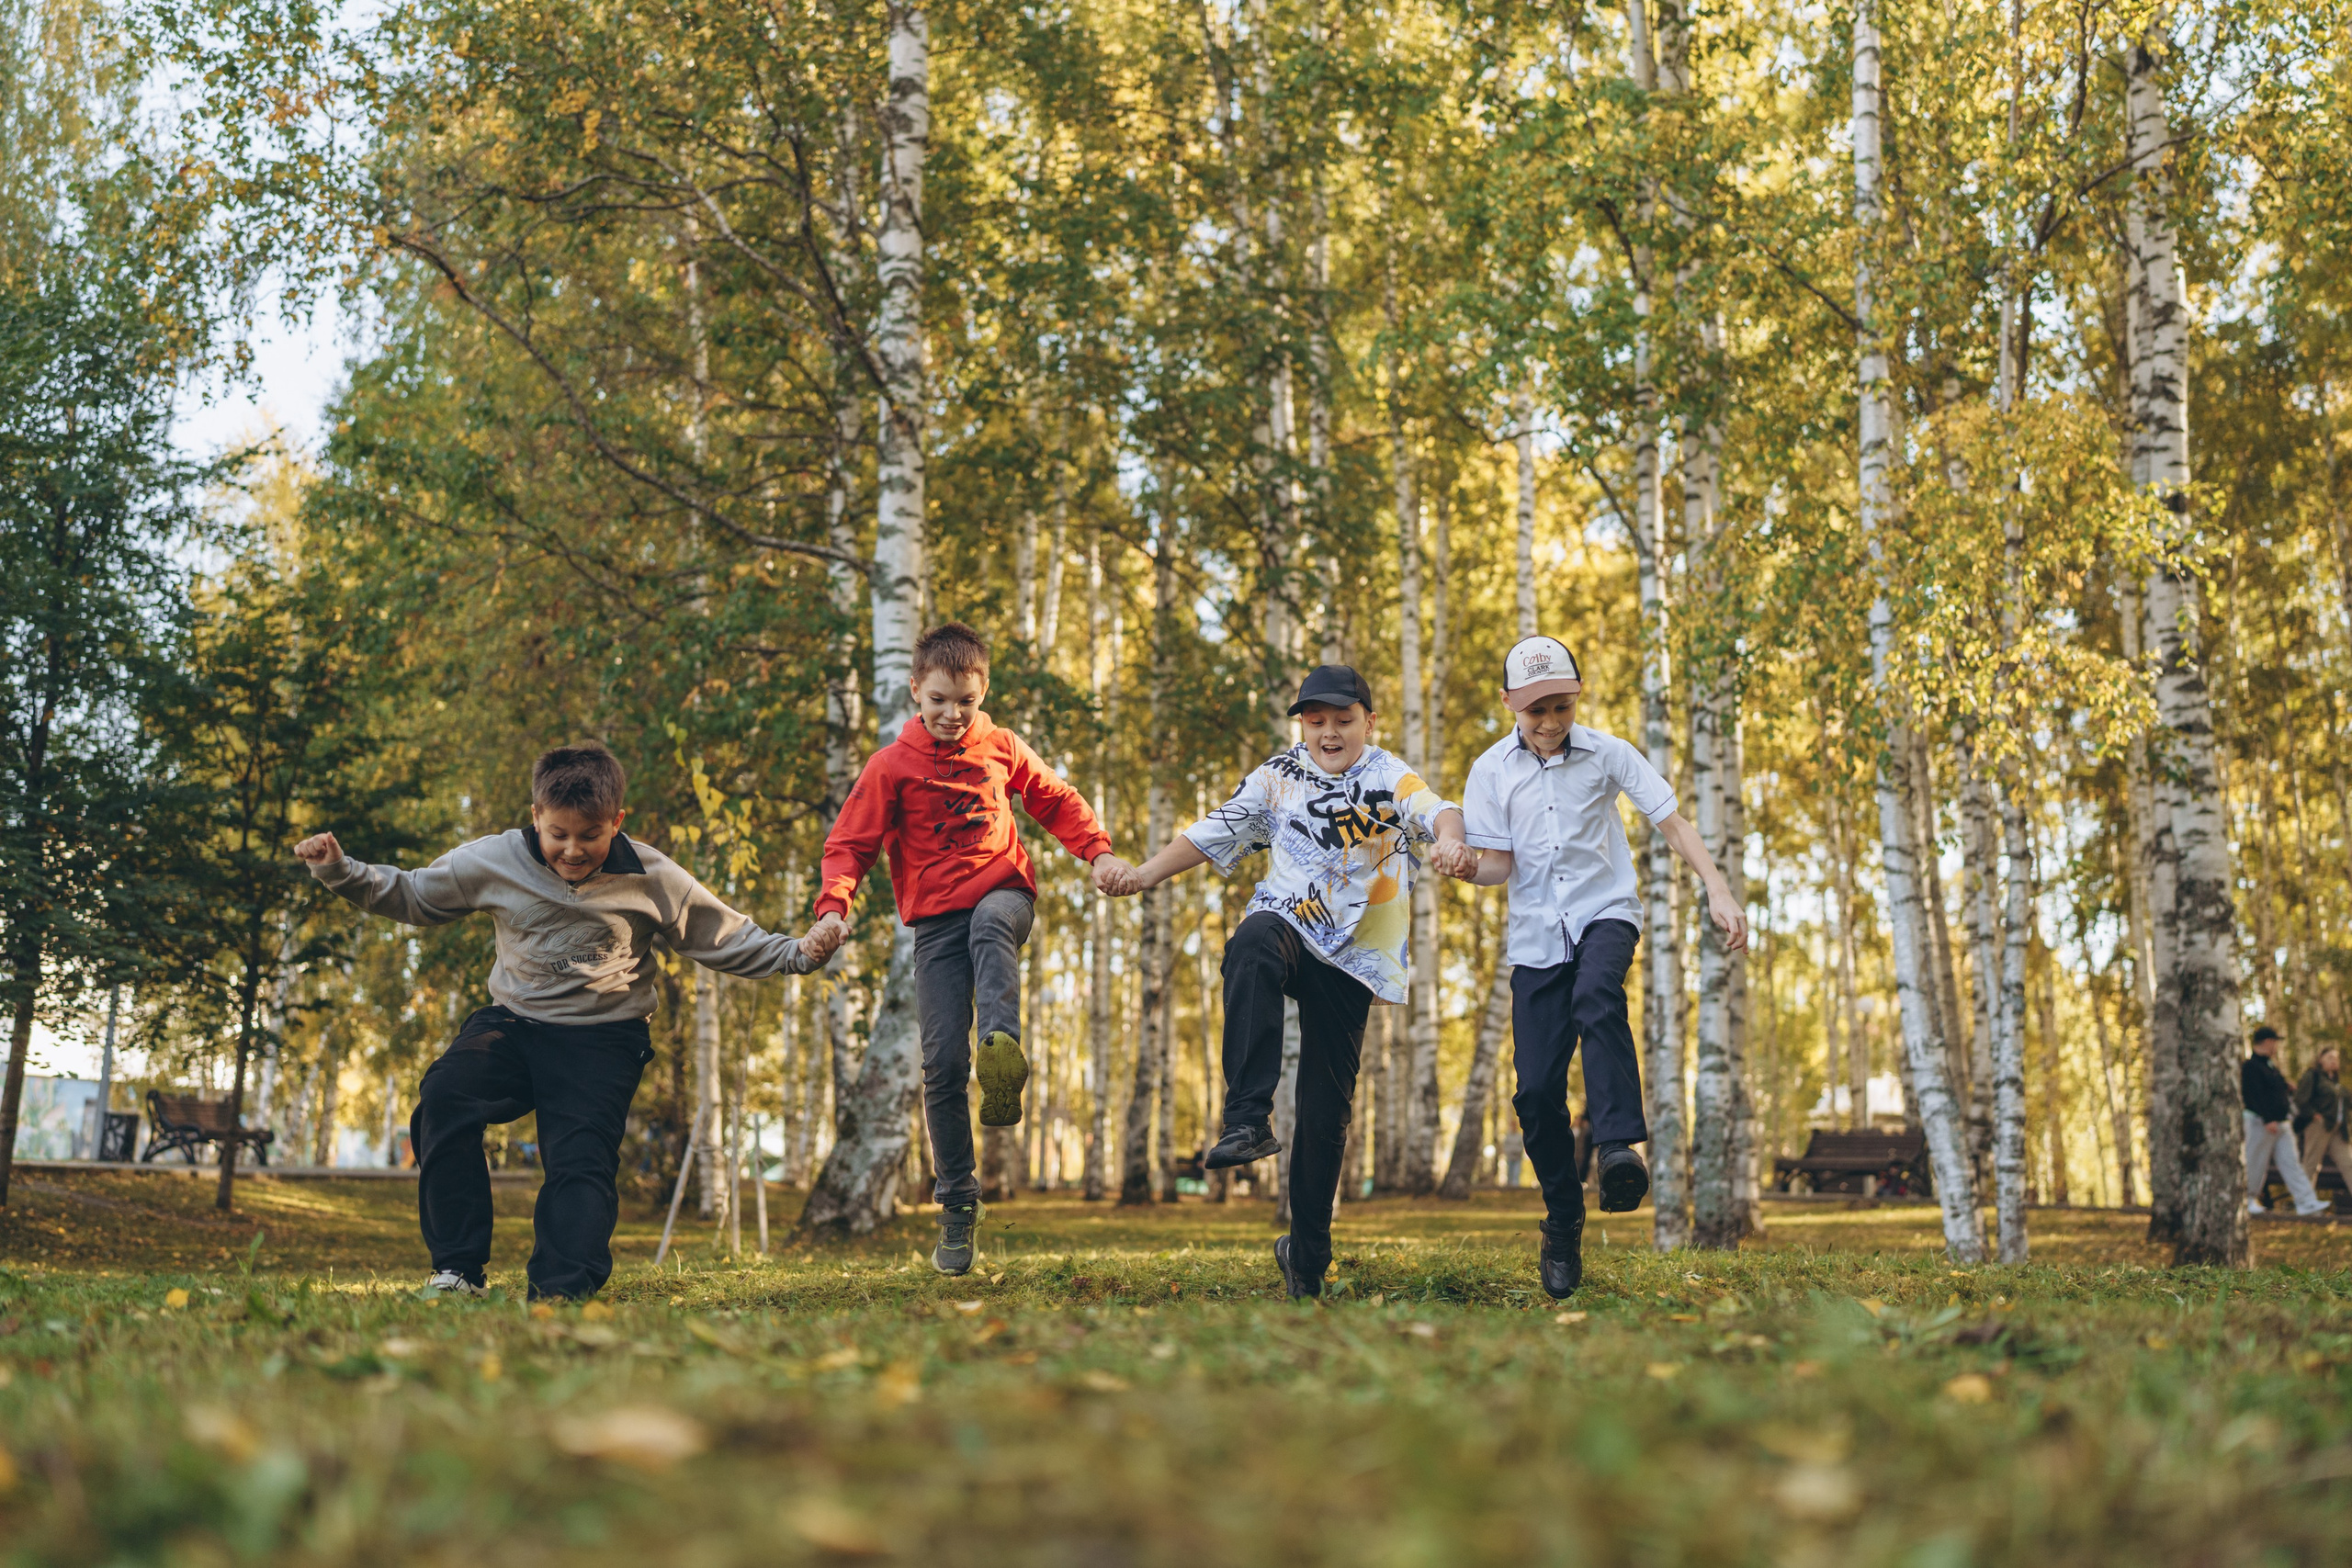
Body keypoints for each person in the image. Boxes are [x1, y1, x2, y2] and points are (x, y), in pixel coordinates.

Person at [293, 742, 841, 1301]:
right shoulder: (492, 860)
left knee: (580, 1160)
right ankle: (458, 1271)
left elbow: (723, 936)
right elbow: (412, 895)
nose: (573, 851)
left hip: (604, 1039)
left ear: (616, 823)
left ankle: (559, 1292)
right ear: (535, 817)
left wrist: (799, 952)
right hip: (514, 1024)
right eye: (558, 835)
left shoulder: (653, 876)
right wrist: (339, 870)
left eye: (590, 836)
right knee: (444, 1097)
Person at [1104, 665, 1475, 1300]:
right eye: (1316, 720)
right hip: (1289, 924)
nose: (1329, 733)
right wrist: (1143, 874)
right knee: (1250, 944)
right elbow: (1211, 830)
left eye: (1343, 720)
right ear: (1303, 723)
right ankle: (1247, 1118)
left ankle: (1306, 1254)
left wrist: (1450, 841)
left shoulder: (1389, 774)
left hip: (1355, 958)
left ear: (1368, 720)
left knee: (1326, 1111)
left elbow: (1439, 809)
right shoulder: (1279, 776)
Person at [805, 623, 1132, 1276]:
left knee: (989, 924)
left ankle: (1001, 1052)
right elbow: (850, 844)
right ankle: (958, 1205)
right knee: (939, 1066)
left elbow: (1055, 799)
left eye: (967, 701)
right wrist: (833, 908)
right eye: (939, 701)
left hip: (1004, 896)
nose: (954, 715)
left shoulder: (1002, 746)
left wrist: (1097, 852)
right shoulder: (890, 766)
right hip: (935, 927)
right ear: (915, 692)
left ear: (984, 692)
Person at [1457, 637, 1747, 1298]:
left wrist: (1717, 887)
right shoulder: (1490, 771)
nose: (1550, 722)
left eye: (1561, 706)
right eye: (1536, 712)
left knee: (1597, 992)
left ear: (1577, 696)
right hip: (1535, 939)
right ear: (1509, 705)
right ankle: (1564, 1221)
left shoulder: (1609, 753)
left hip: (1606, 912)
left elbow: (1671, 821)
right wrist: (1469, 864)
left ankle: (1619, 1146)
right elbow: (1499, 865)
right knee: (1533, 1094)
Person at [2244, 1025, 2327, 1217]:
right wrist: (2267, 1119)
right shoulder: (2251, 1067)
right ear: (2267, 1042)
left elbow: (2274, 1089)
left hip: (2282, 1122)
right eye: (2274, 1042)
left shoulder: (2270, 1066)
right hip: (2262, 1122)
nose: (2276, 1047)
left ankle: (2306, 1202)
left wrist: (2286, 1086)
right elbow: (2253, 1095)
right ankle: (2247, 1198)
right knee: (2256, 1161)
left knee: (2292, 1163)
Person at [2296, 1043, 2350, 1204]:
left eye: (2336, 1058)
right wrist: (2313, 1115)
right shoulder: (2313, 1076)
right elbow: (2300, 1099)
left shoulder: (2337, 1083)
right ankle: (2305, 1203)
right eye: (2330, 1057)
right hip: (2319, 1126)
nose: (2334, 1061)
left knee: (2348, 1163)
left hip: (2339, 1129)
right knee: (2311, 1163)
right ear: (2320, 1060)